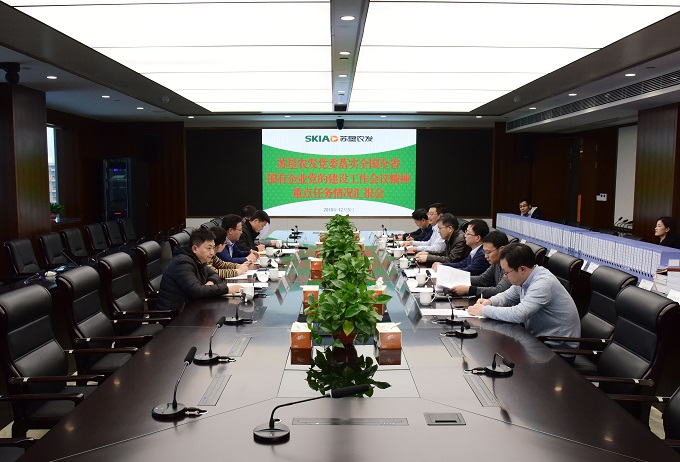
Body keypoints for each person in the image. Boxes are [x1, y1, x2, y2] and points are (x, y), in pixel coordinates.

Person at [467, 243, 580, 359]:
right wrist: (490, 302)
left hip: (557, 350)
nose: (505, 276)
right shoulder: (526, 278)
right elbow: (508, 296)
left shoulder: (542, 283)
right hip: (538, 342)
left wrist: (484, 310)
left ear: (522, 269)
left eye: (506, 272)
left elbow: (519, 314)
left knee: (501, 357)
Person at [156, 228, 242, 312]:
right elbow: (196, 291)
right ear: (195, 249)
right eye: (208, 248)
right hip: (175, 315)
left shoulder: (198, 259)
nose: (212, 252)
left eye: (213, 248)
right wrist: (227, 289)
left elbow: (214, 274)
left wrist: (210, 282)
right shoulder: (182, 263)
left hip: (192, 308)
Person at [450, 231, 510, 297]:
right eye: (484, 252)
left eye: (488, 252)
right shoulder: (496, 264)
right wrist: (458, 278)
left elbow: (499, 290)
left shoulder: (511, 265)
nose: (486, 256)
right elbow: (482, 279)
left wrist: (469, 290)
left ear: (501, 249)